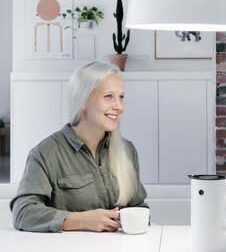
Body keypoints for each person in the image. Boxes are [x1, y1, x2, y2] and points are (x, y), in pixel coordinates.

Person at [10, 62, 148, 232]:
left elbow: (138, 206)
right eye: (108, 96)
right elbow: (23, 213)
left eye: (121, 97)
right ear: (83, 101)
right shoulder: (46, 154)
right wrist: (81, 220)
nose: (119, 107)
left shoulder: (127, 151)